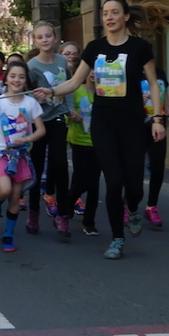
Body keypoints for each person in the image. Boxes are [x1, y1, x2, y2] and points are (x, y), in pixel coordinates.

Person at [44, 0, 168, 260]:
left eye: (114, 12)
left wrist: (157, 119)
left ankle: (132, 207)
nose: (109, 17)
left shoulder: (140, 47)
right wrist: (51, 91)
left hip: (133, 124)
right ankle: (117, 239)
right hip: (103, 124)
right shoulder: (95, 48)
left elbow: (153, 84)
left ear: (125, 16)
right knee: (113, 181)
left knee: (134, 188)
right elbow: (75, 81)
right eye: (105, 13)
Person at [0, 61, 45, 252]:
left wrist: (27, 139)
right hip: (0, 154)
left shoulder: (31, 103)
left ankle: (8, 236)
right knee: (4, 190)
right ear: (6, 79)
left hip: (21, 156)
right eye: (13, 76)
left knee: (15, 197)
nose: (17, 80)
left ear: (26, 80)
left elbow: (41, 130)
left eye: (21, 77)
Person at [26, 21, 72, 237]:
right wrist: (39, 98)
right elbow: (26, 94)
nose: (44, 40)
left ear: (55, 38)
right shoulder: (31, 66)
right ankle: (33, 211)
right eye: (40, 37)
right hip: (38, 120)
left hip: (58, 117)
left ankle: (63, 215)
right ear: (35, 41)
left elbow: (69, 85)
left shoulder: (62, 61)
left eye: (48, 36)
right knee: (35, 166)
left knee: (60, 163)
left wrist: (69, 109)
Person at [66, 67, 101, 235]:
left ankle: (89, 223)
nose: (93, 73)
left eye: (97, 69)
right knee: (81, 180)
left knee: (94, 184)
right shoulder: (76, 90)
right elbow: (66, 111)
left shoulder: (104, 93)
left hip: (99, 142)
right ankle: (67, 205)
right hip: (78, 141)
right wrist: (71, 115)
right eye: (90, 69)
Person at [141, 67, 169, 228]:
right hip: (136, 125)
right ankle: (126, 204)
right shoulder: (131, 69)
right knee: (133, 168)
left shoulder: (159, 72)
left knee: (158, 167)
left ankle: (152, 206)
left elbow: (164, 91)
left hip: (158, 125)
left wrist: (167, 106)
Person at [60, 41, 86, 216]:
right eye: (67, 53)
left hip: (79, 125)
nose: (71, 56)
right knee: (58, 163)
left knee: (79, 168)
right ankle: (52, 195)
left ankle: (74, 197)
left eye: (74, 53)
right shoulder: (58, 72)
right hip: (59, 121)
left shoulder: (84, 74)